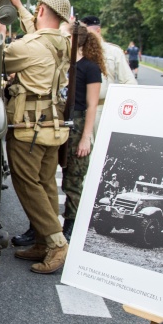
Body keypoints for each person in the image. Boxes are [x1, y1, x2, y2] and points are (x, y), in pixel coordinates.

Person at [0, 0, 71, 274]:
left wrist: (1, 34)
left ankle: (56, 242)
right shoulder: (63, 41)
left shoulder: (30, 47)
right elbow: (40, 34)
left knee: (28, 185)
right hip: (53, 124)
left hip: (29, 129)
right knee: (47, 184)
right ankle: (43, 241)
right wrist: (22, 10)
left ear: (41, 11)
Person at [60, 26, 106, 242]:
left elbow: (91, 105)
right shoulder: (63, 64)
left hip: (78, 124)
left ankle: (71, 225)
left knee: (74, 179)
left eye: (67, 35)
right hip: (59, 120)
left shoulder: (90, 68)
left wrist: (86, 137)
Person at [79, 15, 136, 136]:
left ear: (97, 30)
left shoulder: (113, 51)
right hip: (79, 110)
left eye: (87, 31)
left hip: (103, 109)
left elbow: (129, 83)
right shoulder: (77, 51)